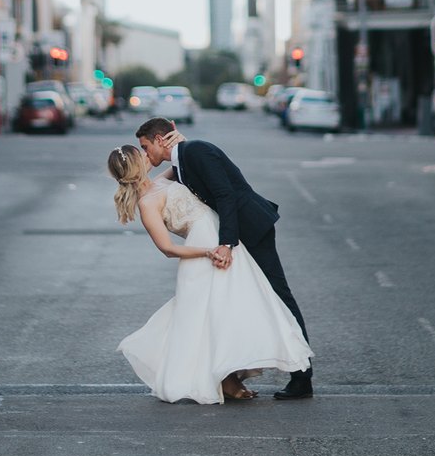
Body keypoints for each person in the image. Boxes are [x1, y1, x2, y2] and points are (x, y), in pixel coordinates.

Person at [108, 143, 313, 404]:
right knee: (213, 313)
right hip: (205, 250)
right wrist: (208, 251)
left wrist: (180, 142)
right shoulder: (147, 203)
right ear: (136, 165)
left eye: (146, 149)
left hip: (221, 241)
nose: (148, 155)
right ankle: (225, 377)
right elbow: (168, 249)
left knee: (232, 307)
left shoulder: (160, 181)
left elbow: (182, 162)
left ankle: (231, 373)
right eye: (142, 154)